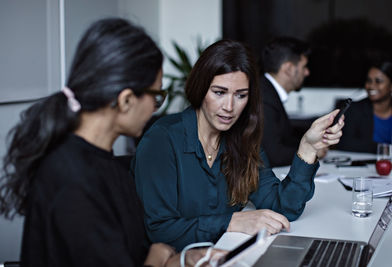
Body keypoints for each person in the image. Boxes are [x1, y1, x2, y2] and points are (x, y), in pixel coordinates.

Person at [0, 18, 208, 267]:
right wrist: (155, 260)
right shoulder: (71, 179)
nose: (155, 107)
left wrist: (183, 260)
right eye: (156, 95)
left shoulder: (106, 165)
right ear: (126, 100)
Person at [134, 39, 344, 251]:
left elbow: (283, 207)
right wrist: (232, 222)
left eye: (241, 95)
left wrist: (307, 149)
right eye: (219, 92)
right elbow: (159, 230)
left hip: (231, 256)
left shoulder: (243, 138)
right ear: (201, 88)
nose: (229, 107)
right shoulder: (162, 139)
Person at [260, 36, 327, 167]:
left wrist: (312, 144)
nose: (307, 72)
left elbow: (285, 141)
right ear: (289, 69)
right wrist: (311, 152)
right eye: (304, 67)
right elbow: (274, 155)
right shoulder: (263, 97)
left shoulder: (268, 91)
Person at [336, 59, 392, 153]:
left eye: (378, 81)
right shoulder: (355, 109)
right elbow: (344, 143)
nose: (371, 86)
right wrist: (384, 149)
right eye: (369, 81)